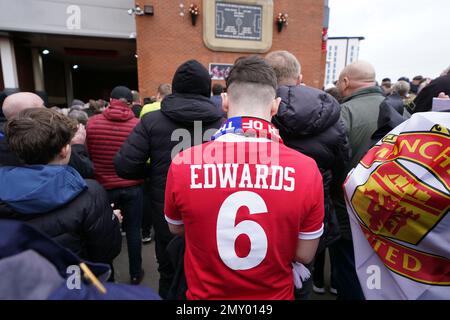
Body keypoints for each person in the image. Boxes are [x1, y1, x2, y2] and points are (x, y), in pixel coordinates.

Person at [163, 56, 324, 300]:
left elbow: (176, 228)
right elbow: (304, 254)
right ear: (275, 106)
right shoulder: (307, 169)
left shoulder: (183, 162)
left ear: (224, 102)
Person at [114, 60, 224, 299]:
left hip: (166, 209)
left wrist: (153, 174)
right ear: (207, 89)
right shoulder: (224, 124)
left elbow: (124, 165)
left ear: (174, 89)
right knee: (210, 276)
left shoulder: (152, 121)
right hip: (213, 213)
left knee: (168, 273)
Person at [266, 50, 350, 297]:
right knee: (302, 273)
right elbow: (341, 165)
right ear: (299, 78)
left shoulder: (256, 110)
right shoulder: (331, 113)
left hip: (265, 206)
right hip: (313, 207)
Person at [0, 108, 121, 265]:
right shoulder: (90, 193)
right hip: (72, 282)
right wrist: (111, 222)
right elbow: (106, 252)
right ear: (65, 150)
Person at [332, 60, 386, 300]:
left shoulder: (345, 113)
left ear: (345, 82)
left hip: (349, 207)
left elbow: (334, 159)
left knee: (349, 269)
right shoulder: (400, 110)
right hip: (387, 209)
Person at [86, 86, 144, 285]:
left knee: (104, 233)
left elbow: (89, 155)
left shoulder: (92, 124)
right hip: (133, 185)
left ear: (110, 99)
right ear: (131, 103)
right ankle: (136, 273)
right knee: (134, 230)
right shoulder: (138, 125)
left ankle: (107, 275)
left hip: (104, 187)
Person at [0, 92, 94, 179]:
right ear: (28, 114)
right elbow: (85, 171)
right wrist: (76, 146)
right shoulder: (46, 138)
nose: (47, 109)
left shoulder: (5, 143)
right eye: (42, 106)